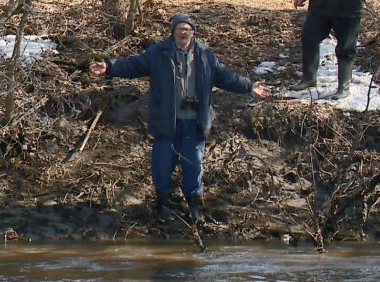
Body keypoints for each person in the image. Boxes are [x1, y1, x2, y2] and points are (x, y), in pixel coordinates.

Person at [89, 13, 271, 223]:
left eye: (187, 29)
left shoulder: (205, 55)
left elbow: (225, 76)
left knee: (194, 163)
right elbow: (134, 65)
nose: (183, 33)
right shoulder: (159, 53)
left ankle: (194, 206)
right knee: (162, 164)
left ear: (193, 32)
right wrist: (109, 67)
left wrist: (249, 86)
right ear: (173, 32)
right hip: (167, 122)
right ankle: (163, 205)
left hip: (195, 122)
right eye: (179, 29)